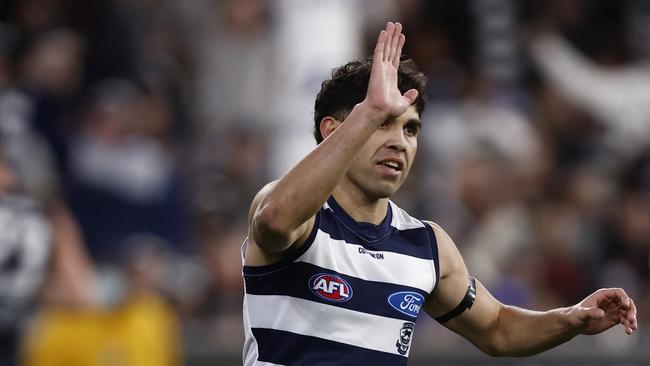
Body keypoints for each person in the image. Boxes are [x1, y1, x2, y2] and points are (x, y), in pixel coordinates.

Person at [241, 22, 638, 365]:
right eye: (383, 123)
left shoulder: (425, 244)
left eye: (410, 129)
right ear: (334, 130)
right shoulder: (295, 214)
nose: (400, 142)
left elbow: (497, 328)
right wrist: (368, 112)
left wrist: (570, 318)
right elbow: (275, 220)